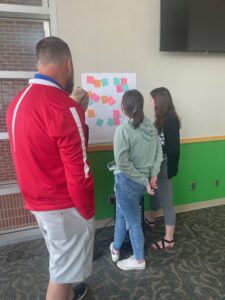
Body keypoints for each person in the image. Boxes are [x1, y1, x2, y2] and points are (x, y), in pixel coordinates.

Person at [6, 36, 95, 300]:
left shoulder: (17, 103)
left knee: (61, 265)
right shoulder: (65, 108)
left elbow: (42, 149)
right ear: (68, 64)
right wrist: (88, 213)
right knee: (60, 274)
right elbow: (80, 172)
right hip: (63, 208)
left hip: (37, 203)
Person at [109, 89, 163, 271]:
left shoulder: (123, 130)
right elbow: (158, 154)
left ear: (123, 107)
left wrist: (145, 180)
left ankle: (139, 260)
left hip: (129, 183)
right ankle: (116, 248)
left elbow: (122, 164)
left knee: (132, 222)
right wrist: (151, 176)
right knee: (121, 215)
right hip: (142, 183)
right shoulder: (151, 128)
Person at [148, 87, 180, 250]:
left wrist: (155, 147)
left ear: (159, 101)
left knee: (167, 202)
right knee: (154, 192)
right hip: (158, 165)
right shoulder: (163, 118)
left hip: (165, 165)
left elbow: (173, 148)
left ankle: (169, 240)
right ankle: (151, 219)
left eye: (152, 99)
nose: (150, 102)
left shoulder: (170, 119)